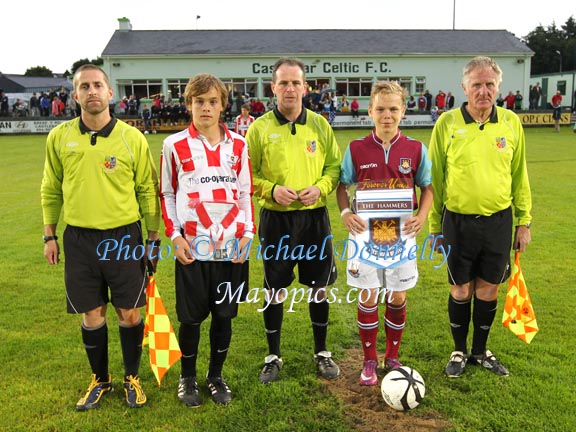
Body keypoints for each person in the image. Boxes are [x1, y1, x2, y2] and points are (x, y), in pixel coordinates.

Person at [41, 64, 161, 410]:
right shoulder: (60, 137)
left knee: (129, 313)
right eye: (84, 86)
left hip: (123, 237)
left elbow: (147, 192)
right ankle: (101, 380)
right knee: (91, 314)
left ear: (111, 93)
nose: (92, 91)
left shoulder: (131, 137)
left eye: (98, 85)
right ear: (75, 94)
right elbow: (51, 189)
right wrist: (50, 235)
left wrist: (152, 240)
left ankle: (132, 378)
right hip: (79, 239)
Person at [428, 56, 532, 379]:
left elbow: (519, 175)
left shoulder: (511, 123)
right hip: (456, 222)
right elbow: (435, 180)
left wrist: (524, 221)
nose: (483, 91)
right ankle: (458, 351)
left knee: (489, 289)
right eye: (477, 84)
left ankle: (480, 351)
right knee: (461, 289)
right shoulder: (447, 124)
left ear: (498, 87)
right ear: (464, 87)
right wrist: (434, 228)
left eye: (489, 84)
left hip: (499, 222)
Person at [160, 73, 255, 407]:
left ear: (222, 106)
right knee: (190, 317)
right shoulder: (174, 145)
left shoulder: (239, 145)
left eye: (212, 101)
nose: (206, 107)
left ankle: (215, 376)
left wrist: (248, 235)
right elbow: (168, 194)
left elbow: (245, 195)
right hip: (193, 247)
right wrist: (175, 235)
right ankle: (188, 378)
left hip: (230, 248)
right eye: (199, 101)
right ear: (189, 105)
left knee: (224, 315)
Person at [246, 57, 342, 384]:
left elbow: (334, 170)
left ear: (305, 87)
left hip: (315, 220)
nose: (289, 88)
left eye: (295, 82)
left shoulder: (320, 125)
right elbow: (249, 176)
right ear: (273, 87)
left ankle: (322, 353)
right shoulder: (259, 129)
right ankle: (273, 356)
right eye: (283, 83)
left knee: (318, 289)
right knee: (275, 289)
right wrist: (271, 190)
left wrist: (320, 187)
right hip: (276, 221)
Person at [336, 80, 433, 386]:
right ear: (370, 111)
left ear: (403, 111)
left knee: (397, 294)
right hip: (364, 235)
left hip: (402, 235)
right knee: (367, 295)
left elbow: (427, 188)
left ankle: (392, 355)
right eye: (381, 109)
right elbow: (342, 187)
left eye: (393, 109)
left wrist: (422, 215)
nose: (387, 115)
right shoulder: (356, 148)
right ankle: (368, 360)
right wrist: (345, 212)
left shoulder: (416, 149)